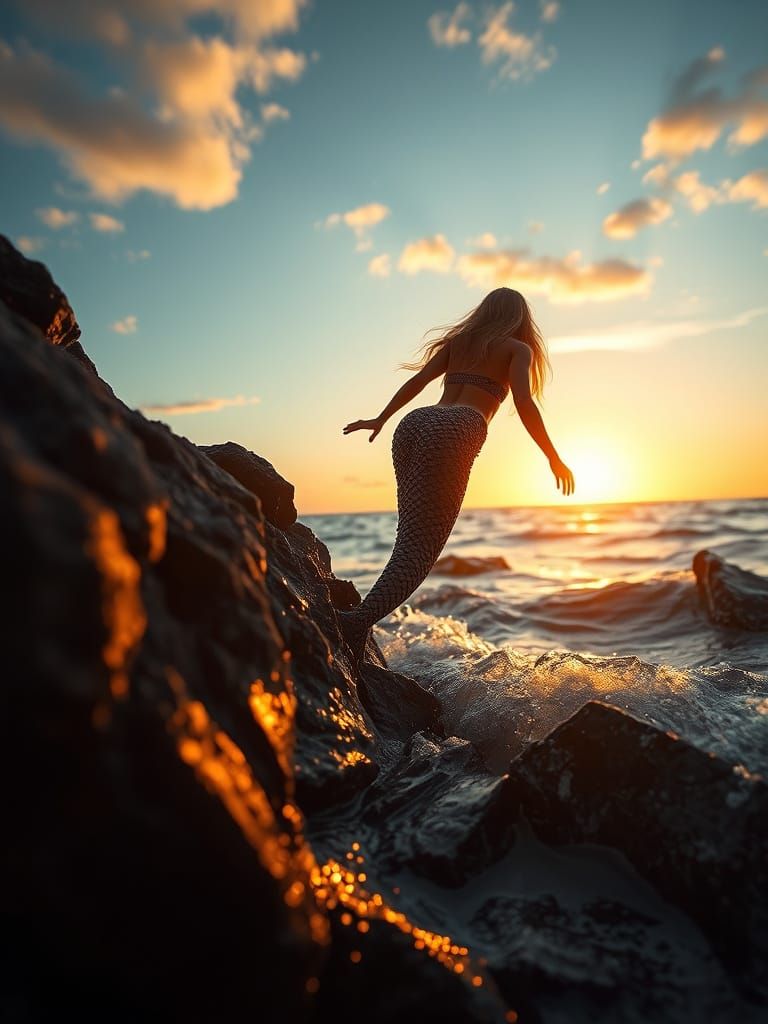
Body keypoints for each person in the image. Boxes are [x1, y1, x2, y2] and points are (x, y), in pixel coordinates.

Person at [338, 286, 574, 665]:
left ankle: (360, 622)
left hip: (414, 424)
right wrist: (552, 456)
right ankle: (354, 624)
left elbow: (418, 383)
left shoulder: (459, 341)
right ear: (520, 317)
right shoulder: (517, 348)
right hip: (458, 427)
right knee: (418, 550)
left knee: (407, 538)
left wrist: (382, 418)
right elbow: (524, 402)